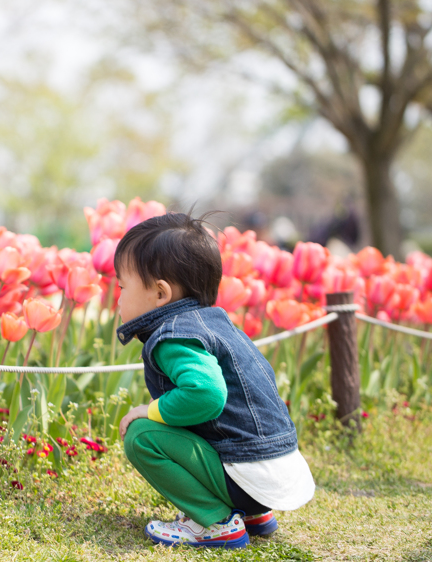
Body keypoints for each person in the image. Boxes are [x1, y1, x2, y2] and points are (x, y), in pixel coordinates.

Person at [116, 213, 315, 548]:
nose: (118, 298)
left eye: (122, 287)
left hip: (249, 476)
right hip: (273, 470)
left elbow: (206, 394)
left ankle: (215, 523)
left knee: (141, 436)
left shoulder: (175, 337)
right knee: (180, 423)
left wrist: (149, 411)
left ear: (161, 293)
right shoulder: (215, 323)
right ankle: (251, 515)